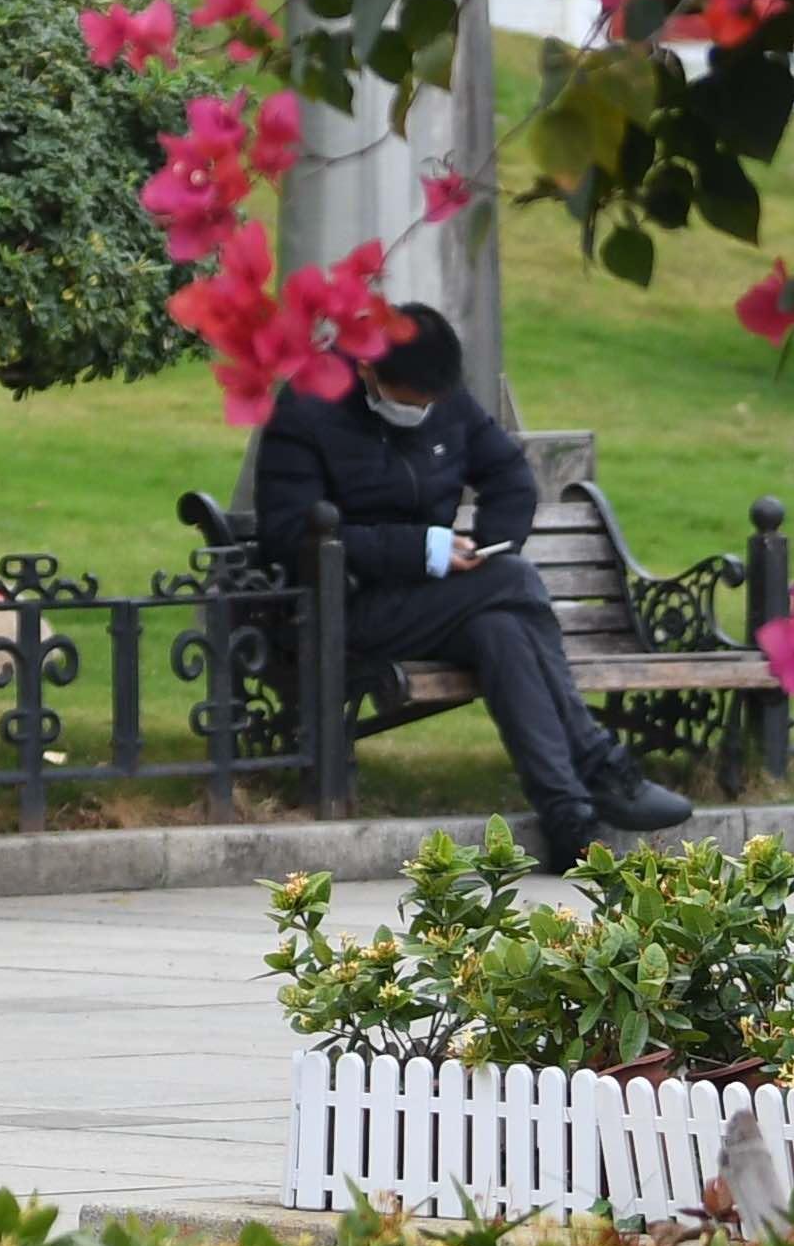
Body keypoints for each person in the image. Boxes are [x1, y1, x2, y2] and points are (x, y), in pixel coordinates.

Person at [252, 306, 694, 867]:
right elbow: (288, 536)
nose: (421, 413)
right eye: (410, 401)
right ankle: (602, 764)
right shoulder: (306, 408)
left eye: (429, 402)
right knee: (512, 582)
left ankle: (570, 822)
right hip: (342, 610)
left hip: (432, 605)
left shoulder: (446, 400)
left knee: (501, 628)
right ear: (366, 368)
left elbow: (510, 476)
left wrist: (488, 548)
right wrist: (421, 549)